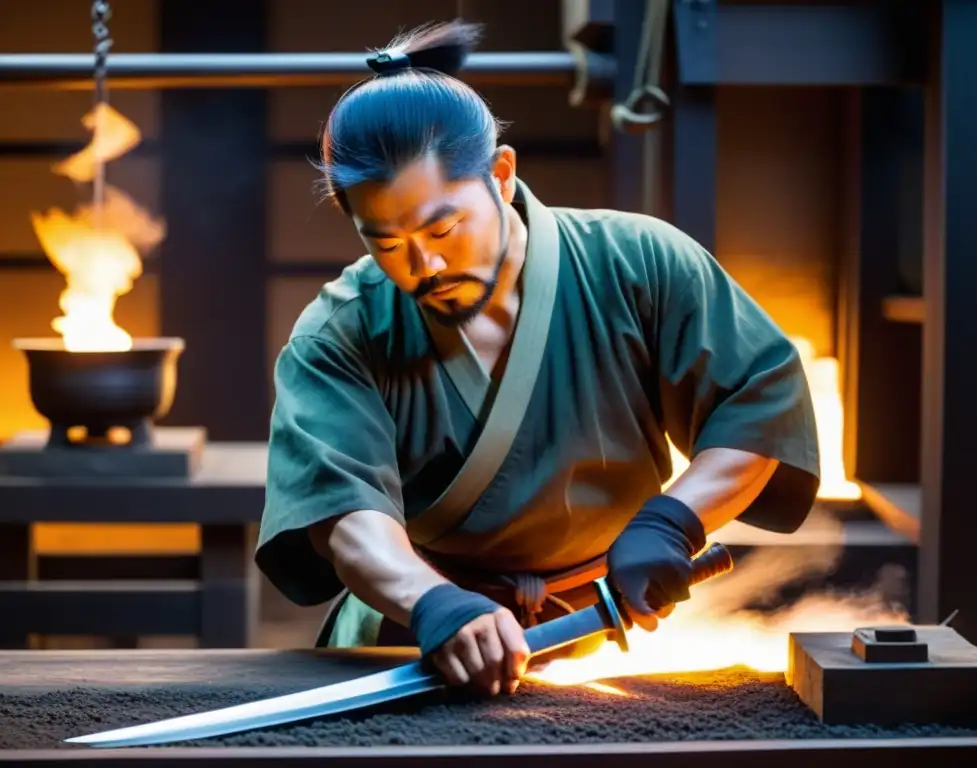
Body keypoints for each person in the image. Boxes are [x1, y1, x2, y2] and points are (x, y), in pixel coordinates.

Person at [256, 20, 821, 699]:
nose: (424, 264)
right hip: (419, 644)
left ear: (500, 173)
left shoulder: (639, 263)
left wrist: (674, 520)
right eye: (386, 243)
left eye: (443, 227)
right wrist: (435, 603)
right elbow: (340, 513)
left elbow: (755, 403)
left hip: (610, 628)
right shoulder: (339, 333)